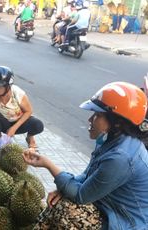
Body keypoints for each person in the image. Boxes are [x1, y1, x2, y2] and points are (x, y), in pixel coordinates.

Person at [23, 81, 148, 229]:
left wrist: (48, 165)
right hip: (108, 205)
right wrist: (63, 189)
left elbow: (81, 196)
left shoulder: (121, 157)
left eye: (97, 115)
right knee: (58, 200)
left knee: (68, 210)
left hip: (125, 221)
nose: (90, 120)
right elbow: (87, 177)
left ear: (117, 123)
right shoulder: (110, 140)